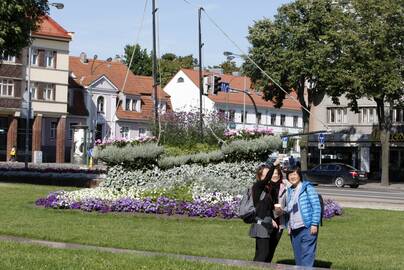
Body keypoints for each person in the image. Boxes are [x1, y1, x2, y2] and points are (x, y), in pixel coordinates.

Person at [249, 156, 289, 263]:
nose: (270, 175)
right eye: (267, 174)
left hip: (266, 223)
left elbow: (267, 207)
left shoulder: (266, 189)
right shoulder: (258, 186)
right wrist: (275, 164)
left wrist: (273, 216)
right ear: (261, 176)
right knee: (263, 253)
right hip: (261, 224)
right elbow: (260, 209)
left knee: (263, 252)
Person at [286, 166, 321, 267]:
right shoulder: (290, 190)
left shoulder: (307, 187)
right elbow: (291, 211)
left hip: (307, 227)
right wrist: (289, 226)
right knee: (298, 257)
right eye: (290, 174)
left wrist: (314, 224)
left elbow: (316, 206)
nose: (292, 177)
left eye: (295, 174)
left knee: (307, 256)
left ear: (299, 175)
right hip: (295, 229)